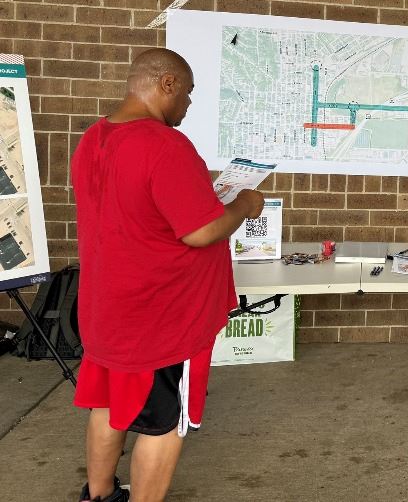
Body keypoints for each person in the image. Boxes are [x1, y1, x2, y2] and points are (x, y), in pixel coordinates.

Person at [71, 48, 265, 502]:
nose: (189, 105)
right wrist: (244, 205)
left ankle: (98, 496)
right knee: (163, 424)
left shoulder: (93, 139)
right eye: (189, 93)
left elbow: (138, 211)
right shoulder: (164, 145)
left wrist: (205, 194)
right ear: (167, 84)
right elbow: (201, 231)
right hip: (162, 318)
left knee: (109, 406)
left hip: (108, 311)